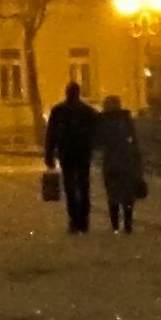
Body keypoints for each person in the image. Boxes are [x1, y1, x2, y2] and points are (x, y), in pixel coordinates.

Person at [43, 82, 99, 234]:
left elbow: (51, 135)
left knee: (71, 189)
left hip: (67, 154)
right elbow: (97, 132)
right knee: (82, 187)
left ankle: (75, 220)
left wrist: (49, 154)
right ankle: (82, 221)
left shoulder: (59, 111)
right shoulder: (87, 112)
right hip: (81, 153)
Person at [95, 94, 147, 233]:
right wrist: (137, 162)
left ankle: (115, 225)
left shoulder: (103, 121)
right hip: (126, 162)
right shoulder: (125, 120)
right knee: (127, 195)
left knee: (113, 194)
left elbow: (98, 143)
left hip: (111, 163)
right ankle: (128, 224)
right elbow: (133, 142)